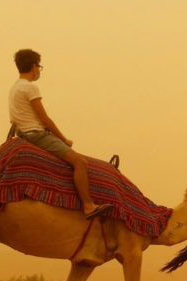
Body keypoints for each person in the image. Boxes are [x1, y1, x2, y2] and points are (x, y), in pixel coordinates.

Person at [9, 49, 112, 220]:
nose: (39, 71)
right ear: (34, 67)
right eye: (39, 67)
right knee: (79, 162)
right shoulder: (30, 87)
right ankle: (88, 205)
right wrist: (63, 139)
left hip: (23, 134)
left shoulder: (14, 88)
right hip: (36, 135)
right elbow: (44, 119)